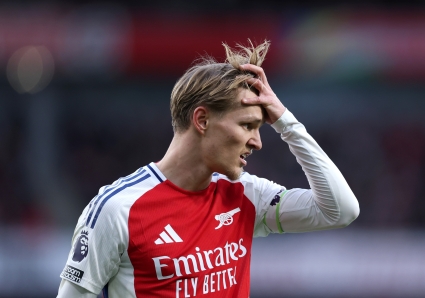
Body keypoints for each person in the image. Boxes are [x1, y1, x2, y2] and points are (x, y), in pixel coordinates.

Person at [57, 40, 360, 298]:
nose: (257, 142)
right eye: (247, 126)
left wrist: (286, 122)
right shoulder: (117, 210)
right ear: (202, 120)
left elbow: (340, 210)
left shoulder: (246, 196)